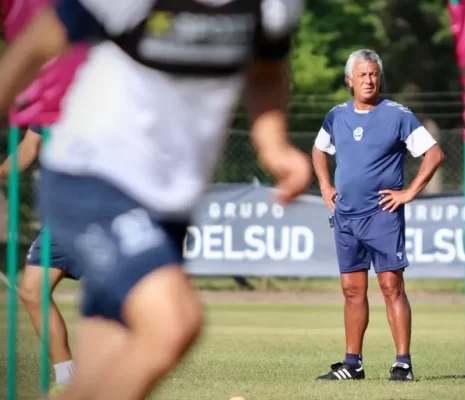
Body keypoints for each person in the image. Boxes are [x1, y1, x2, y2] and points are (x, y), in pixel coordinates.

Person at [0, 1, 311, 399]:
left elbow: (267, 71)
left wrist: (273, 143)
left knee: (101, 375)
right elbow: (35, 44)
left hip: (169, 202)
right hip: (93, 175)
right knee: (173, 323)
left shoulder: (274, 7)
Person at [312, 49, 445, 382]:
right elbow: (318, 150)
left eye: (373, 74)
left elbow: (433, 154)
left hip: (382, 216)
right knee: (352, 290)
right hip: (345, 216)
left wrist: (409, 192)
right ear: (349, 81)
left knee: (391, 287)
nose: (368, 80)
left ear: (379, 77)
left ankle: (403, 363)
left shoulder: (397, 115)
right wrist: (326, 185)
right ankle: (352, 364)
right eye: (362, 75)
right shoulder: (336, 115)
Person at [0, 125, 80, 391]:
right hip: (65, 213)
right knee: (33, 291)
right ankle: (69, 378)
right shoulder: (49, 100)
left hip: (105, 201)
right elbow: (27, 149)